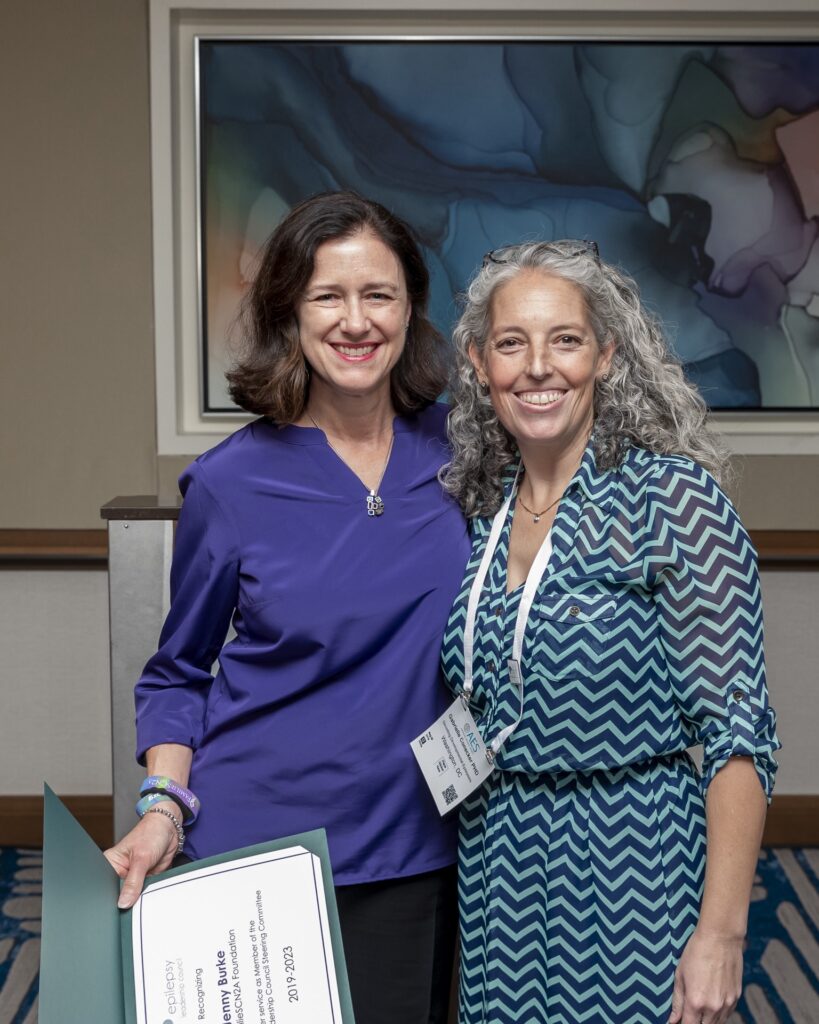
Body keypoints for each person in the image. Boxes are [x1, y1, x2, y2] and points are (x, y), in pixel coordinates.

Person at [104, 191, 471, 1024]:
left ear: (409, 307)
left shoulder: (464, 453)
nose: (355, 320)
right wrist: (164, 807)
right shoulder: (230, 483)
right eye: (326, 296)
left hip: (414, 844)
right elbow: (176, 671)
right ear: (289, 313)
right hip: (259, 846)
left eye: (377, 294)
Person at [439, 240, 780, 1024]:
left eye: (564, 339)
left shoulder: (671, 502)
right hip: (499, 865)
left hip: (629, 862)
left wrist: (721, 933)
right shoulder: (478, 501)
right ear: (477, 361)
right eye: (510, 343)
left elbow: (737, 732)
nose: (537, 367)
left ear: (605, 355)